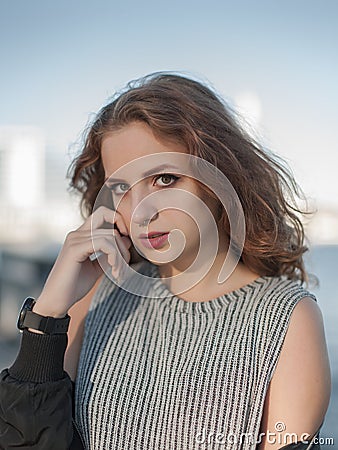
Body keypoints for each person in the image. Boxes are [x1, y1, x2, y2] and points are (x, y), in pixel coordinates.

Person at [0, 73, 331, 450]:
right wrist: (48, 311)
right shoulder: (94, 299)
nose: (140, 212)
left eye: (165, 179)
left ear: (219, 177)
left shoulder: (286, 318)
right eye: (122, 187)